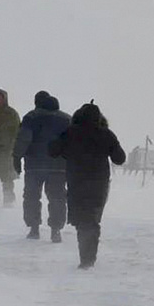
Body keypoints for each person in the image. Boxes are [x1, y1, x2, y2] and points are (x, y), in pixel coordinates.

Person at [49, 101, 125, 269]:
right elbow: (120, 158)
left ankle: (85, 257)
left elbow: (53, 151)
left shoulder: (70, 133)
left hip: (76, 182)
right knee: (92, 219)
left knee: (81, 220)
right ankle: (89, 258)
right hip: (99, 183)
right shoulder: (106, 134)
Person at [13, 91, 71, 241]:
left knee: (32, 197)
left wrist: (17, 157)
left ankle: (34, 228)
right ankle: (56, 230)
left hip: (34, 165)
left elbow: (23, 139)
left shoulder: (31, 117)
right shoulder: (67, 119)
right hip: (59, 166)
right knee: (57, 198)